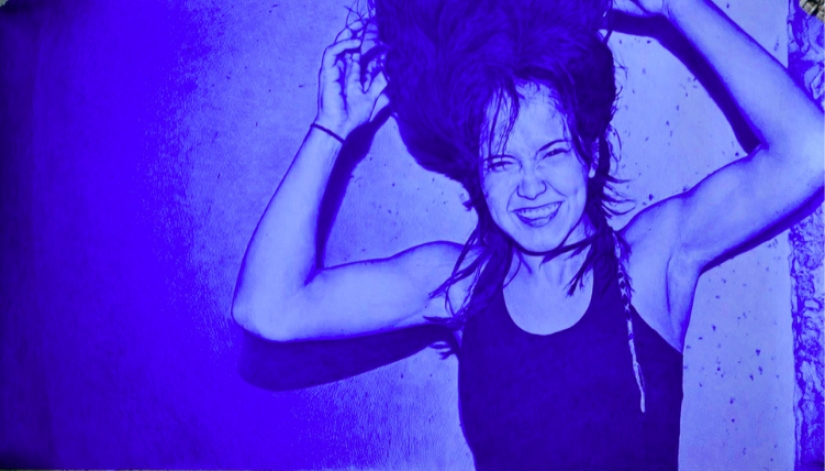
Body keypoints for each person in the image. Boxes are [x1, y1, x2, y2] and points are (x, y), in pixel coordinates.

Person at [231, 0, 824, 469]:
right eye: (502, 162)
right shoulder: (459, 287)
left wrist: (676, 4)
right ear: (479, 176)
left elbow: (810, 152)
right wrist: (331, 129)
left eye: (551, 152)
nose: (530, 186)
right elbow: (269, 308)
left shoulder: (653, 260)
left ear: (590, 155)